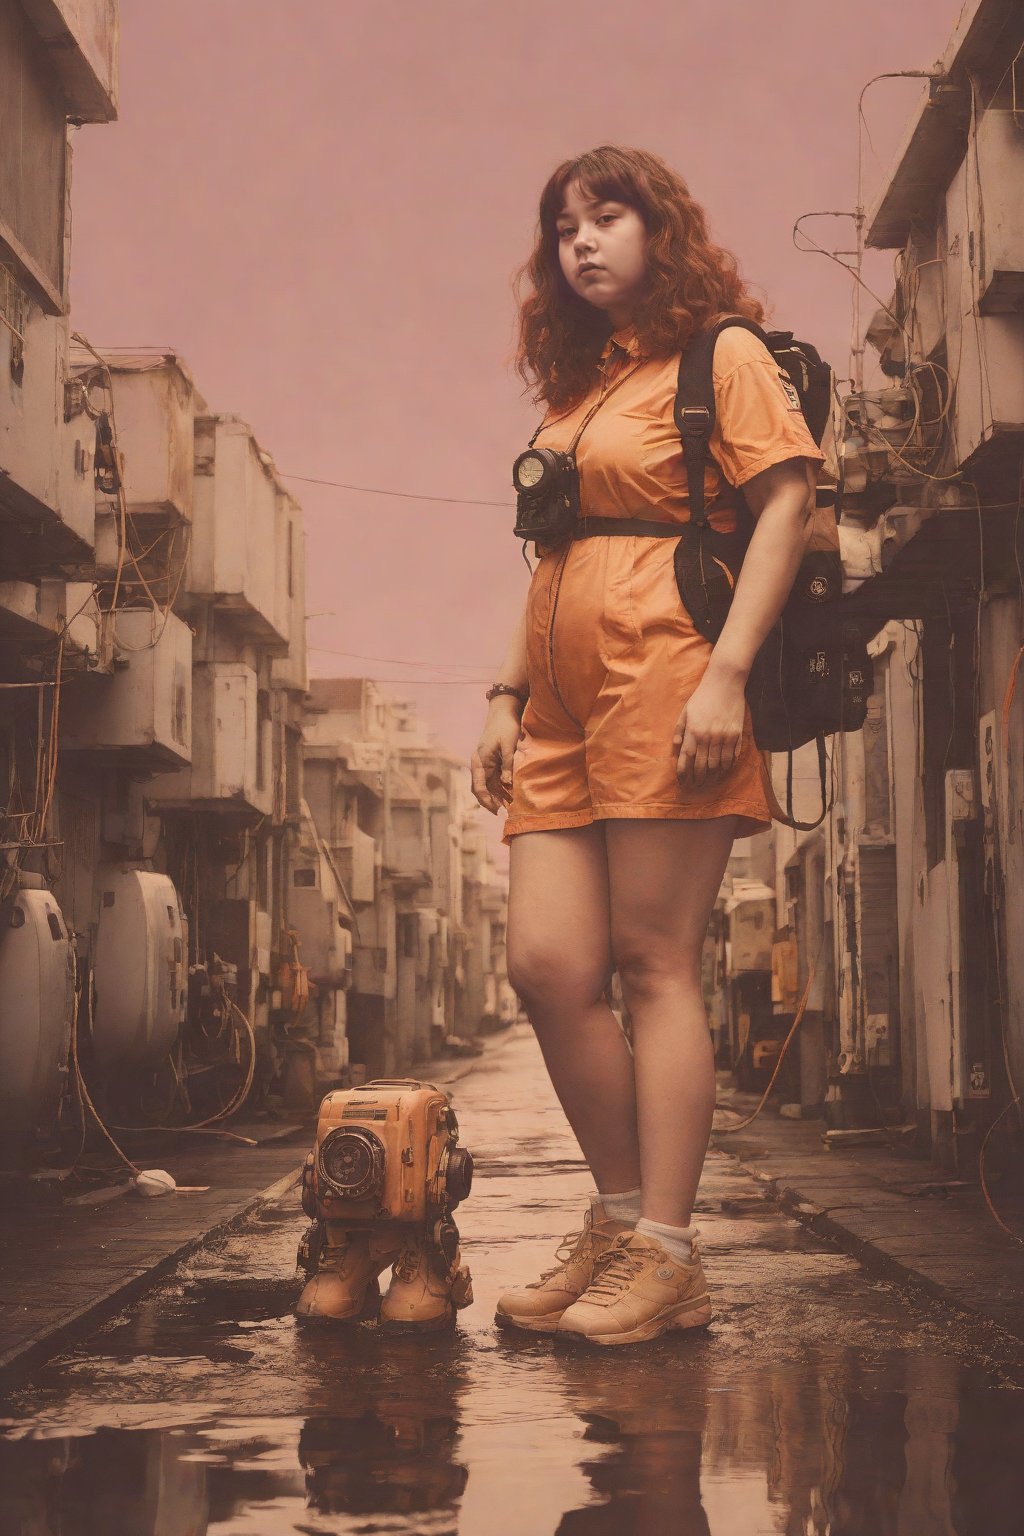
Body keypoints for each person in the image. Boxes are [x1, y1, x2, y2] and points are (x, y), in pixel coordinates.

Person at [471, 146, 824, 1347]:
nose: (580, 241)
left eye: (605, 216)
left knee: (653, 961)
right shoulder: (580, 389)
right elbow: (552, 555)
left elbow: (785, 505)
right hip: (562, 701)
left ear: (657, 227)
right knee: (545, 968)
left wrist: (726, 675)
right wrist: (503, 694)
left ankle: (667, 1250)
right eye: (562, 224)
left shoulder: (720, 354)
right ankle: (621, 1220)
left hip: (669, 674)